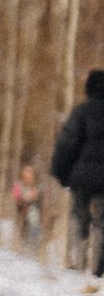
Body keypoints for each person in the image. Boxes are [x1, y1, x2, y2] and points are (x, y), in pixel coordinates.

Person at [51, 68, 104, 274]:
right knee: (101, 222)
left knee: (78, 217)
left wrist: (60, 172)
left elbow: (67, 144)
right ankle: (98, 269)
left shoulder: (81, 112)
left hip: (81, 178)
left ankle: (78, 262)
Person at [11, 162, 44, 254]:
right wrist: (27, 198)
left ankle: (33, 247)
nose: (29, 175)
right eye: (27, 172)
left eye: (30, 173)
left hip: (33, 211)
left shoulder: (36, 186)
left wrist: (36, 196)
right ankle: (24, 248)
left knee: (35, 223)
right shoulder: (18, 185)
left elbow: (39, 199)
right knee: (25, 230)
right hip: (22, 211)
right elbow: (17, 198)